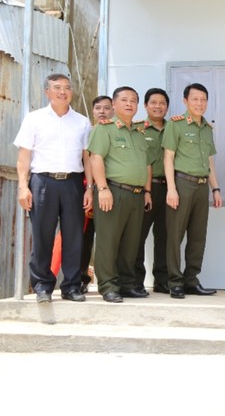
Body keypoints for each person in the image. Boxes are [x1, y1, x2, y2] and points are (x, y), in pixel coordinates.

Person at [14, 73, 92, 303]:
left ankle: (71, 286)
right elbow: (24, 155)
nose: (63, 91)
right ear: (47, 92)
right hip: (42, 182)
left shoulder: (82, 121)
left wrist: (90, 189)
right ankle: (42, 286)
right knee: (42, 235)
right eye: (57, 87)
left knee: (74, 236)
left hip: (73, 182)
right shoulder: (34, 119)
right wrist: (22, 186)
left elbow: (87, 158)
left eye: (67, 87)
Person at [87, 86, 152, 303]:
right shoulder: (104, 129)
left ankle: (126, 284)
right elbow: (96, 159)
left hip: (136, 194)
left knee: (131, 243)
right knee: (108, 241)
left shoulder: (139, 133)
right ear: (114, 104)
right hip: (113, 191)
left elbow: (145, 164)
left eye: (133, 100)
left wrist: (146, 192)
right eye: (124, 100)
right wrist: (102, 189)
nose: (129, 104)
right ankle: (108, 286)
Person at [162, 83, 222, 299]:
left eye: (203, 99)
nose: (200, 103)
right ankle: (175, 282)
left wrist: (215, 188)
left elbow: (209, 162)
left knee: (198, 236)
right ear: (185, 101)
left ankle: (191, 279)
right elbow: (168, 158)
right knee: (175, 235)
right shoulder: (175, 125)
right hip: (182, 184)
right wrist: (171, 188)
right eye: (195, 99)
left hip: (201, 187)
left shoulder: (207, 128)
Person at [134, 88, 170, 294]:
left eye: (162, 103)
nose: (158, 106)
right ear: (146, 106)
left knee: (165, 236)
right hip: (145, 190)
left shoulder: (173, 128)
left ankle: (163, 280)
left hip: (168, 189)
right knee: (138, 236)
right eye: (153, 102)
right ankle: (136, 280)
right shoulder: (137, 129)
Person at [79, 95, 113, 293]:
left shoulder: (118, 133)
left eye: (106, 108)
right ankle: (81, 279)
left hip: (111, 191)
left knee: (109, 239)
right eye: (98, 108)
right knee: (83, 238)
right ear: (93, 112)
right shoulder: (86, 133)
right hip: (87, 191)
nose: (102, 112)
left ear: (113, 110)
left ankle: (108, 281)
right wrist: (89, 189)